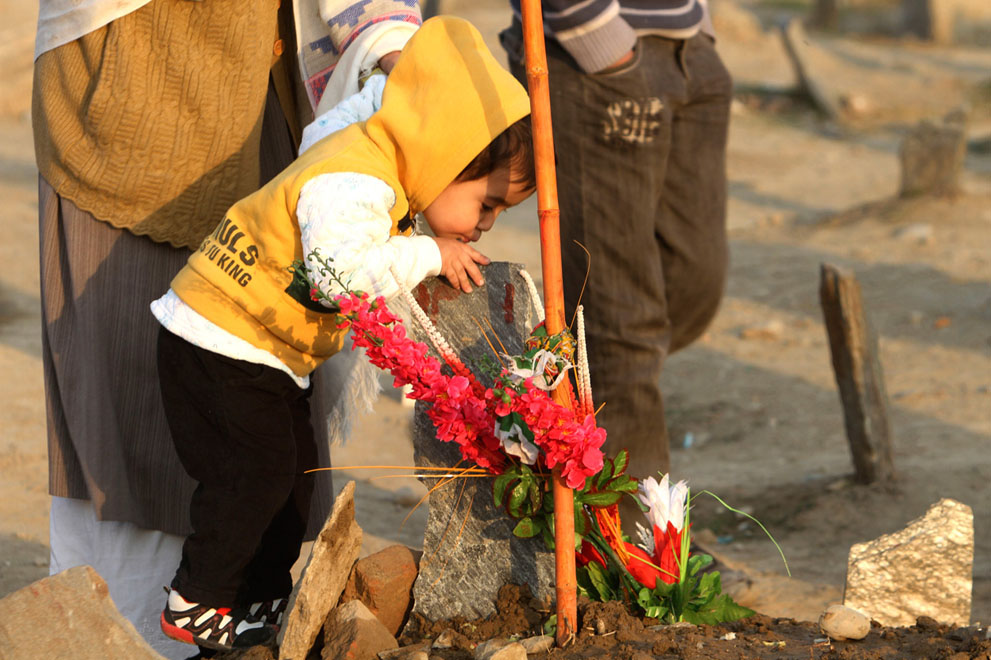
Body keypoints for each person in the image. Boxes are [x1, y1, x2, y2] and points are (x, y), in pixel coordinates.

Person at [32, 0, 421, 656]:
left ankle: (232, 616)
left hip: (260, 81)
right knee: (136, 415)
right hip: (138, 68)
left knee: (268, 437)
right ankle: (150, 626)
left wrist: (396, 54)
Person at [151, 16, 535, 651]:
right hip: (218, 335)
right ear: (441, 156)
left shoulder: (372, 142)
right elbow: (338, 276)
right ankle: (201, 597)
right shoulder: (356, 179)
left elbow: (358, 112)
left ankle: (256, 605)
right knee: (256, 474)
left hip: (260, 347)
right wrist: (430, 255)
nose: (487, 223)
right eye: (486, 203)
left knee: (295, 477)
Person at [500, 0, 733, 486]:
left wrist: (696, 24)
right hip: (590, 53)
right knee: (620, 319)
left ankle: (553, 429)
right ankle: (633, 546)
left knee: (694, 283)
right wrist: (600, 39)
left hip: (688, 47)